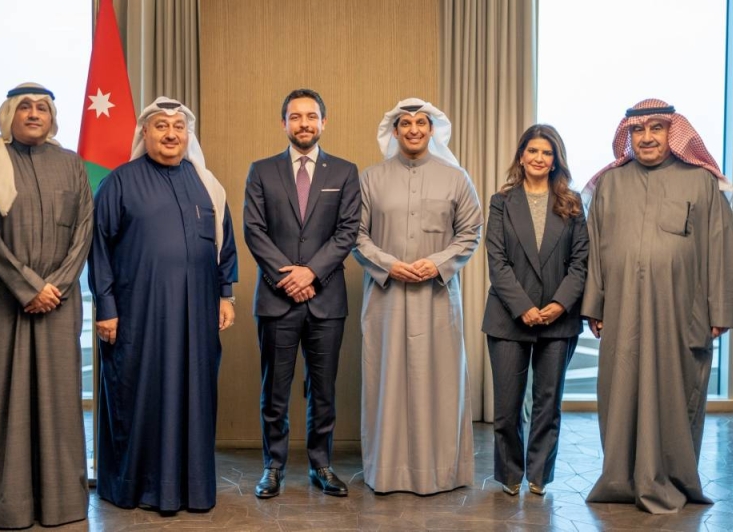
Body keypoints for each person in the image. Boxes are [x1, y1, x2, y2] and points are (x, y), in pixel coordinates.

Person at [582, 99, 733, 514]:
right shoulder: (610, 184)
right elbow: (595, 248)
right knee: (620, 391)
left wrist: (720, 311)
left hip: (681, 312)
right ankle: (619, 479)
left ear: (674, 132)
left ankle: (672, 477)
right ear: (628, 136)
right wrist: (594, 304)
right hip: (622, 311)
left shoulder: (702, 182)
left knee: (676, 393)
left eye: (656, 128)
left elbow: (721, 246)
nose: (647, 137)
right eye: (638, 130)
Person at [88, 97, 238, 512]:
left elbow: (225, 245)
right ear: (145, 132)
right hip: (138, 316)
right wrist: (106, 307)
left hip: (198, 315)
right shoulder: (119, 182)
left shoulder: (207, 185)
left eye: (178, 127)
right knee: (138, 397)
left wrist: (226, 295)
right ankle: (134, 487)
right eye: (161, 126)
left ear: (188, 135)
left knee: (195, 396)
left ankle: (191, 488)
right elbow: (98, 248)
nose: (171, 134)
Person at [0, 83, 92, 528]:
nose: (34, 114)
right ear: (9, 115)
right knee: (5, 403)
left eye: (42, 108)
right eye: (25, 108)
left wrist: (56, 286)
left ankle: (62, 504)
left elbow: (83, 232)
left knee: (59, 405)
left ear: (52, 118)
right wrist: (28, 287)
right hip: (3, 305)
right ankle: (9, 507)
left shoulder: (71, 165)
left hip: (59, 304)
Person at [352, 98, 483, 494]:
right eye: (405, 123)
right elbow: (355, 235)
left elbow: (470, 232)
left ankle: (441, 472)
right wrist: (389, 264)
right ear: (394, 131)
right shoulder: (370, 179)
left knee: (440, 383)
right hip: (386, 298)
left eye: (421, 122)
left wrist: (437, 262)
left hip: (437, 299)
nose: (413, 129)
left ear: (432, 130)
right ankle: (386, 472)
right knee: (386, 383)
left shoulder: (456, 178)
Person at [243, 88, 361, 499]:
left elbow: (348, 230)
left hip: (326, 300)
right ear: (284, 123)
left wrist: (311, 272)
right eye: (296, 117)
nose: (304, 123)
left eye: (311, 116)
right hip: (276, 299)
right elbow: (253, 230)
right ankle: (273, 466)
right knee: (274, 391)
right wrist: (288, 278)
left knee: (322, 390)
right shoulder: (261, 171)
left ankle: (321, 464)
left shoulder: (344, 172)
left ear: (323, 122)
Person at [482, 124, 588, 497]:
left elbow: (580, 263)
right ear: (521, 156)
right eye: (533, 151)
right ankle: (510, 474)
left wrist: (558, 305)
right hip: (508, 317)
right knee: (507, 407)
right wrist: (524, 307)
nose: (539, 158)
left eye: (547, 152)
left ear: (555, 160)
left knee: (548, 404)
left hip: (559, 320)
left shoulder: (573, 203)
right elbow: (496, 261)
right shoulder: (501, 201)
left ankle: (539, 475)